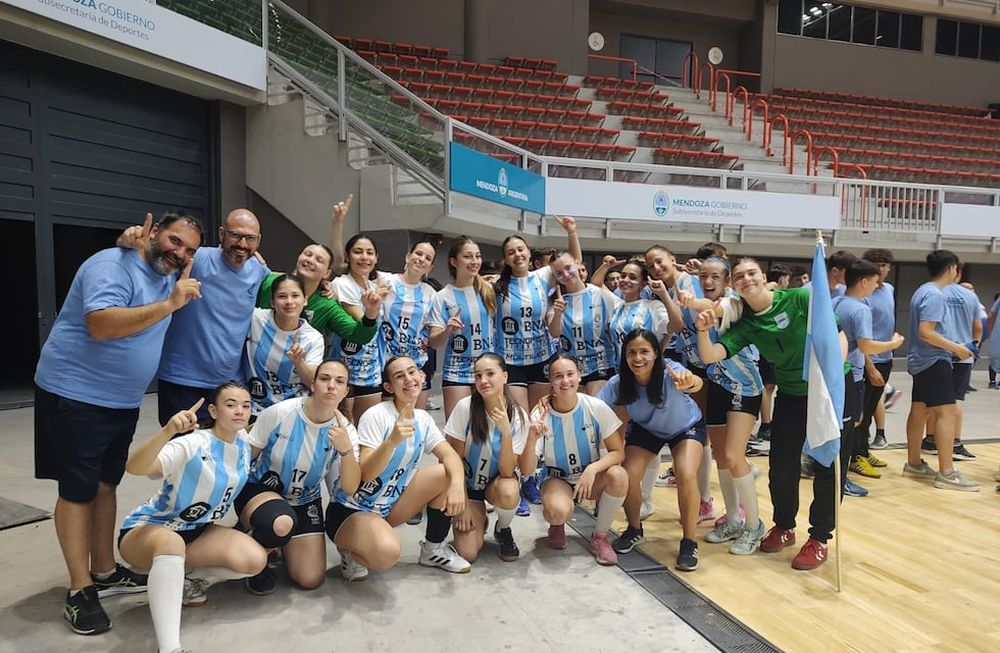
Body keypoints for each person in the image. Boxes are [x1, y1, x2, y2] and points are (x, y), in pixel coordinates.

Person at [34, 211, 203, 635]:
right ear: (152, 231)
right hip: (75, 394)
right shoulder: (111, 264)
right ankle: (79, 589)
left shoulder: (169, 273)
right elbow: (101, 324)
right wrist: (169, 304)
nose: (180, 253)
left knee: (106, 485)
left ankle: (106, 572)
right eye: (174, 241)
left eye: (189, 250)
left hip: (121, 401)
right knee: (77, 492)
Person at [695, 257, 848, 571]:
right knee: (781, 466)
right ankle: (783, 526)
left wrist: (831, 381)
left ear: (763, 277)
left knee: (827, 466)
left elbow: (838, 336)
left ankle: (819, 538)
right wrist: (701, 329)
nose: (746, 279)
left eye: (751, 273)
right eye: (739, 277)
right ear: (734, 286)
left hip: (828, 392)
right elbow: (711, 355)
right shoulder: (748, 323)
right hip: (791, 394)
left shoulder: (800, 298)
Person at [118, 382, 267, 653]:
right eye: (230, 404)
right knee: (171, 544)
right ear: (213, 410)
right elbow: (134, 467)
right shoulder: (192, 443)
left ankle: (183, 580)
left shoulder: (244, 443)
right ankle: (170, 648)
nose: (239, 411)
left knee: (254, 560)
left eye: (245, 406)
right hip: (148, 529)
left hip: (197, 529)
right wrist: (168, 431)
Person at [116, 210, 270, 426]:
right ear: (222, 233)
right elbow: (153, 265)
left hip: (230, 383)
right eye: (235, 235)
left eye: (250, 238)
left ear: (258, 240)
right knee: (181, 451)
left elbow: (291, 290)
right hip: (182, 380)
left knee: (224, 453)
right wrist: (131, 242)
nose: (242, 244)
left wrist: (323, 286)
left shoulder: (259, 271)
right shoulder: (196, 258)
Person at [325, 356, 471, 578]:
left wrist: (458, 486)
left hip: (387, 507)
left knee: (447, 473)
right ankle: (350, 549)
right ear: (388, 387)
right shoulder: (377, 415)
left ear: (422, 376)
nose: (409, 379)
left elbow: (449, 455)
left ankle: (433, 550)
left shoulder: (422, 418)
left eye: (412, 372)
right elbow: (365, 473)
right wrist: (391, 441)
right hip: (351, 510)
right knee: (387, 553)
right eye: (399, 376)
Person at [236, 360, 360, 593]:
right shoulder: (280, 413)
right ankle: (254, 546)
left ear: (345, 392)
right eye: (324, 378)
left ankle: (277, 542)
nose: (331, 386)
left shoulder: (346, 431)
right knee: (280, 523)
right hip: (262, 491)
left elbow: (351, 487)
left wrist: (346, 451)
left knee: (310, 579)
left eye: (339, 381)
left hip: (304, 499)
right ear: (312, 384)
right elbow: (244, 460)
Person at [675, 257, 767, 554]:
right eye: (703, 276)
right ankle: (735, 519)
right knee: (721, 459)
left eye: (716, 276)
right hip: (717, 383)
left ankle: (755, 526)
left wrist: (691, 301)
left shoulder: (734, 304)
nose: (709, 281)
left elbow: (714, 309)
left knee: (733, 454)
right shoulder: (700, 305)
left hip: (745, 386)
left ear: (727, 281)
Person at [598, 330, 705, 571]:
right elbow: (592, 407)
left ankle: (689, 541)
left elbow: (694, 382)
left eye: (644, 351)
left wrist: (691, 381)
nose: (638, 358)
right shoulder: (619, 382)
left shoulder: (671, 370)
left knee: (685, 473)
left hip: (685, 427)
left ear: (656, 354)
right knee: (629, 474)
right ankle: (634, 529)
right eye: (631, 353)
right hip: (647, 429)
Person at [523, 355, 627, 565]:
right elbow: (526, 470)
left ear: (579, 377)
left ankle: (600, 536)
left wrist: (593, 469)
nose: (565, 381)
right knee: (557, 513)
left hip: (590, 478)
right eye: (558, 376)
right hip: (557, 478)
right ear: (550, 382)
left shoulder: (595, 407)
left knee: (619, 475)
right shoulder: (540, 414)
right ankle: (557, 524)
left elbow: (618, 452)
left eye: (570, 374)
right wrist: (531, 438)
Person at [903, 250, 978, 491]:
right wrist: (956, 348)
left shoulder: (922, 290)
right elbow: (926, 331)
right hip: (934, 360)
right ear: (952, 268)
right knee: (947, 413)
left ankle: (914, 463)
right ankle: (947, 473)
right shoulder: (935, 294)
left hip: (920, 361)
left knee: (919, 409)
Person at [444, 354, 528, 562]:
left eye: (490, 374)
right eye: (478, 375)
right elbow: (452, 459)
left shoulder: (518, 416)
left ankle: (503, 528)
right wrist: (461, 505)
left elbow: (508, 472)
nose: (483, 381)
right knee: (467, 554)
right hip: (467, 487)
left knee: (508, 489)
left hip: (494, 485)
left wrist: (506, 433)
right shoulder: (465, 407)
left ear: (505, 376)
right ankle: (478, 515)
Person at [494, 216, 582, 410]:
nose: (517, 254)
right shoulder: (496, 285)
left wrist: (571, 232)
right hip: (510, 361)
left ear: (528, 252)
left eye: (520, 249)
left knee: (540, 415)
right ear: (506, 259)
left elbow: (573, 261)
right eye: (511, 252)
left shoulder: (543, 276)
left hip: (542, 357)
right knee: (521, 417)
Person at [833, 260, 905, 496]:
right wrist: (892, 344)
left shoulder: (836, 302)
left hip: (836, 373)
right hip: (851, 376)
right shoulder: (860, 309)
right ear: (863, 282)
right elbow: (865, 345)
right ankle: (839, 480)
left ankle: (828, 472)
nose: (877, 286)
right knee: (850, 426)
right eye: (875, 282)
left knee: (843, 425)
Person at [256, 240, 379, 356]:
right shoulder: (269, 284)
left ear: (327, 273)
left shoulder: (326, 304)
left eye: (319, 260)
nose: (310, 260)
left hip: (297, 372)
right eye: (307, 254)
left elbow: (359, 336)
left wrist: (371, 313)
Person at [428, 236, 497, 420]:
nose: (474, 261)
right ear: (453, 261)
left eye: (477, 256)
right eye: (468, 256)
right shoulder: (442, 296)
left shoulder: (489, 290)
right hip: (457, 371)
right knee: (458, 431)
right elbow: (434, 342)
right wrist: (447, 329)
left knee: (491, 429)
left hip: (488, 369)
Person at [329, 234, 391, 424]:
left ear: (376, 258)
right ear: (348, 256)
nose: (364, 257)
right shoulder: (341, 284)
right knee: (344, 431)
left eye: (369, 253)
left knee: (368, 431)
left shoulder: (377, 287)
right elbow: (361, 322)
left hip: (370, 370)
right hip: (343, 368)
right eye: (358, 252)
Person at [920, 273, 982, 462]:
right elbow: (978, 327)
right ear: (955, 271)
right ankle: (954, 443)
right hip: (961, 353)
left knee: (934, 400)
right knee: (955, 400)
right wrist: (974, 349)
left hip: (938, 352)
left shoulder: (934, 292)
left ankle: (930, 440)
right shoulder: (970, 296)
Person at [244, 274, 326, 416]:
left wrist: (299, 362)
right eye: (282, 296)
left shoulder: (313, 338)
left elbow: (312, 382)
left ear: (305, 300)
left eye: (295, 296)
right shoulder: (256, 319)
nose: (289, 302)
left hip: (292, 412)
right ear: (272, 302)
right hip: (253, 409)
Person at [381, 240, 446, 410]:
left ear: (430, 268)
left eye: (427, 258)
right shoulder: (385, 280)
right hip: (386, 363)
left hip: (417, 364)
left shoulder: (431, 294)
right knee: (387, 419)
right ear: (408, 256)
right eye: (418, 253)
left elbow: (432, 328)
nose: (421, 259)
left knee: (416, 418)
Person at [548, 251, 621, 395]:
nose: (566, 275)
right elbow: (554, 333)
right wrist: (558, 314)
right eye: (559, 273)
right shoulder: (556, 300)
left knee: (596, 407)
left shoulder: (600, 295)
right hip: (572, 370)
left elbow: (622, 317)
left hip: (602, 365)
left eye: (568, 268)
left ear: (577, 263)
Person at [858, 249, 896, 452]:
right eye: (877, 265)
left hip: (886, 357)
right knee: (860, 413)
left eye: (884, 265)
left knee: (872, 407)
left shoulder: (889, 289)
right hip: (867, 359)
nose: (881, 269)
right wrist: (869, 366)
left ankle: (863, 451)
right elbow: (858, 335)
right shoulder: (864, 294)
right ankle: (856, 455)